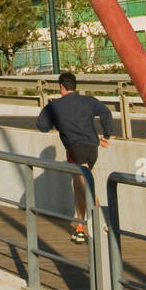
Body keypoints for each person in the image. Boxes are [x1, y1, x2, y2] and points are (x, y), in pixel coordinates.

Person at [36, 71, 112, 243]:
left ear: (61, 87)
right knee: (79, 186)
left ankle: (101, 223)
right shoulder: (89, 101)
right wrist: (107, 135)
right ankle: (80, 226)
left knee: (83, 185)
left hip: (74, 148)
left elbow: (42, 126)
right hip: (93, 148)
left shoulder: (55, 105)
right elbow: (106, 113)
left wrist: (56, 122)